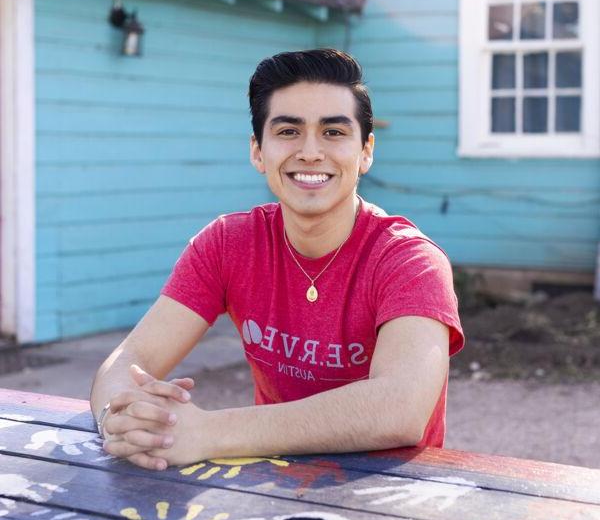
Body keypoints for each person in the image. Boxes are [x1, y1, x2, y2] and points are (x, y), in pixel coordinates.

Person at [90, 48, 463, 470]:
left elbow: (400, 409)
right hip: (271, 488)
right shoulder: (227, 243)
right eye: (288, 131)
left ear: (366, 152)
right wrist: (121, 421)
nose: (309, 152)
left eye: (334, 133)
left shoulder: (409, 260)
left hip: (390, 497)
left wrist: (209, 432)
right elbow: (128, 360)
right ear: (257, 151)